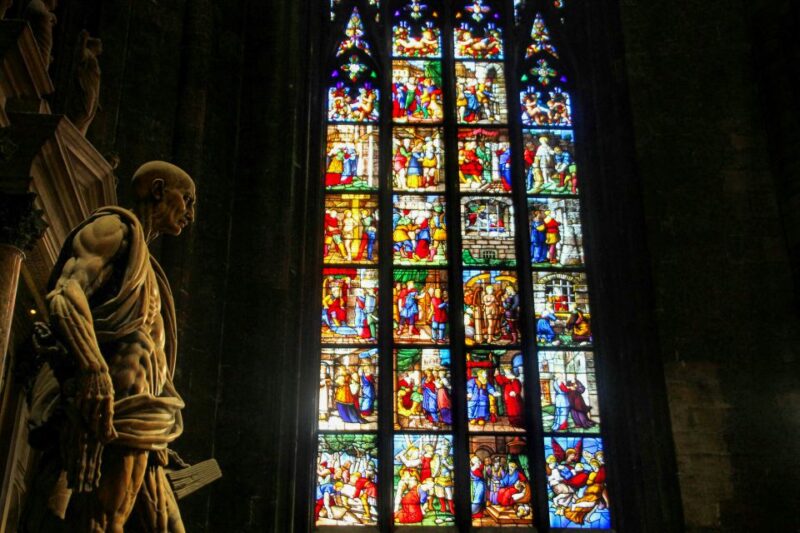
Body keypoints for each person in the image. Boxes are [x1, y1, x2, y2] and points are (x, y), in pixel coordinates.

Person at [23, 161, 195, 531]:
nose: (190, 214)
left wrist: (162, 438)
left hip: (146, 420)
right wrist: (93, 369)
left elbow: (153, 355)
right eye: (188, 199)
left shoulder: (150, 269)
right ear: (159, 190)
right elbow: (65, 294)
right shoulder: (113, 229)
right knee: (97, 523)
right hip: (111, 408)